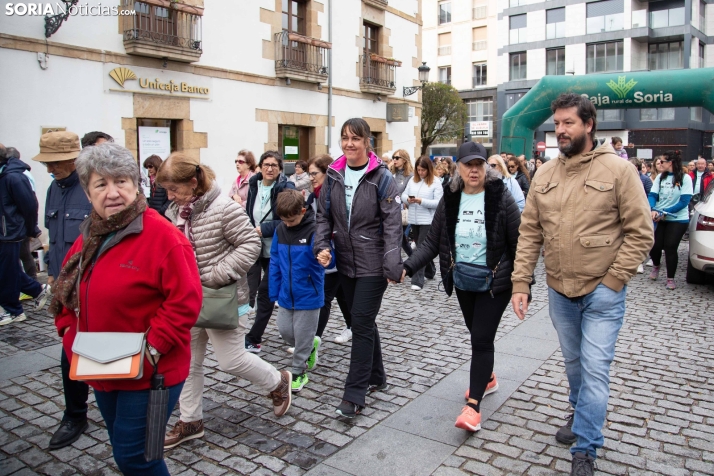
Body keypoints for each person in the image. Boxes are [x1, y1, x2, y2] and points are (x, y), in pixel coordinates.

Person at [511, 93, 653, 476]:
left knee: (594, 369)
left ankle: (586, 447)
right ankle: (578, 412)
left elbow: (641, 234)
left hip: (602, 293)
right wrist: (521, 282)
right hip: (559, 291)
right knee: (574, 365)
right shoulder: (545, 173)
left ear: (589, 125)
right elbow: (529, 233)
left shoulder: (618, 171)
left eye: (568, 123)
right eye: (556, 124)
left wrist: (614, 280)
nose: (560, 130)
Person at [50, 143, 202, 475]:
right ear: (88, 193)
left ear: (137, 186)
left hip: (150, 373)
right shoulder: (89, 235)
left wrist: (151, 349)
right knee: (126, 447)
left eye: (121, 181)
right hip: (100, 365)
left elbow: (186, 301)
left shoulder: (163, 237)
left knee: (136, 457)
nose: (113, 192)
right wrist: (69, 336)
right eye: (101, 184)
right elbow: (65, 293)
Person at [158, 153, 292, 449]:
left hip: (222, 298)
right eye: (166, 190)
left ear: (193, 183)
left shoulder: (223, 208)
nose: (169, 196)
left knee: (231, 360)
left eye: (174, 189)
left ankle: (278, 381)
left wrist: (214, 275)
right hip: (186, 301)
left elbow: (250, 244)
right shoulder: (176, 211)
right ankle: (190, 420)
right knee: (189, 363)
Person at [400, 141, 521, 432]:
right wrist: (407, 266)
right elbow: (431, 242)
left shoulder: (500, 197)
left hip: (496, 282)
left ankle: (473, 407)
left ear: (486, 168)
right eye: (468, 165)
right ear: (460, 168)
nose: (474, 170)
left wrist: (522, 284)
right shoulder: (451, 198)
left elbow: (521, 243)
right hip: (464, 280)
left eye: (479, 164)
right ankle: (487, 377)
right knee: (476, 331)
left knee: (480, 339)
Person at [314, 118, 403, 418]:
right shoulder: (334, 174)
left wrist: (392, 262)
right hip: (346, 262)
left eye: (356, 138)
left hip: (374, 263)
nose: (349, 143)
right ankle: (377, 376)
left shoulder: (381, 177)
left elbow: (392, 223)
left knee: (361, 323)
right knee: (361, 319)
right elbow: (323, 215)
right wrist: (322, 246)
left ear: (368, 142)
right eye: (345, 138)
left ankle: (354, 393)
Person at [29, 131, 94, 450]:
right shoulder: (55, 188)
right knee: (69, 354)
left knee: (102, 353)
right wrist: (54, 277)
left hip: (93, 289)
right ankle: (75, 414)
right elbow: (55, 239)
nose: (49, 169)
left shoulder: (93, 187)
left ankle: (115, 410)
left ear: (73, 158)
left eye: (54, 162)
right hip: (65, 289)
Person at [270, 189, 327, 392]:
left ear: (303, 211)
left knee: (302, 336)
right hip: (286, 293)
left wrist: (326, 257)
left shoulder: (315, 230)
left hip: (309, 294)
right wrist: (274, 290)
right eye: (284, 220)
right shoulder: (280, 229)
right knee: (285, 331)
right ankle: (310, 344)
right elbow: (275, 259)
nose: (288, 224)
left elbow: (327, 253)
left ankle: (298, 372)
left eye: (292, 220)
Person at [244, 152, 296, 352]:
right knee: (254, 289)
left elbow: (289, 216)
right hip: (256, 247)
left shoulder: (284, 187)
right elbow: (250, 214)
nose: (270, 169)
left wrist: (264, 229)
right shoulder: (253, 185)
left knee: (265, 293)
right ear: (259, 166)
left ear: (280, 169)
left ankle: (254, 338)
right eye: (266, 165)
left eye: (274, 165)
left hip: (277, 247)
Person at [0, 142, 48, 327]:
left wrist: (31, 229)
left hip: (10, 232)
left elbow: (29, 205)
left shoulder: (14, 177)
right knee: (8, 270)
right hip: (6, 231)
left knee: (7, 272)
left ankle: (14, 310)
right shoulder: (5, 176)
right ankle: (37, 290)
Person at [306, 155, 353, 344]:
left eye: (314, 173)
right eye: (309, 174)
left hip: (337, 252)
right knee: (341, 294)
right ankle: (353, 327)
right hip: (323, 251)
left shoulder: (337, 194)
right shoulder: (313, 195)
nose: (311, 177)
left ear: (327, 173)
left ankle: (312, 341)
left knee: (324, 296)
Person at [648, 150, 693, 290]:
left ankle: (670, 278)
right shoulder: (660, 177)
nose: (659, 164)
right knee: (654, 245)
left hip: (677, 219)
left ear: (670, 163)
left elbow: (684, 201)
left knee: (670, 247)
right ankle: (656, 265)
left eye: (662, 161)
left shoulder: (685, 178)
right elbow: (653, 195)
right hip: (660, 217)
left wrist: (667, 212)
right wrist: (652, 208)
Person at [401, 156, 443, 291]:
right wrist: (407, 199)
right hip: (414, 219)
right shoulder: (413, 181)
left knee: (419, 249)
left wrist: (421, 201)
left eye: (423, 170)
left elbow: (439, 203)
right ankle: (430, 270)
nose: (420, 173)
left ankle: (417, 280)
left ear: (428, 170)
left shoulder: (436, 182)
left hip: (428, 221)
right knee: (424, 248)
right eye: (418, 170)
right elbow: (403, 195)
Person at [6, 147, 39, 281]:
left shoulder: (17, 176)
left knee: (23, 254)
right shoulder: (21, 173)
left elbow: (29, 204)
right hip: (19, 222)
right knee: (22, 255)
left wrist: (31, 227)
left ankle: (32, 284)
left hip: (19, 222)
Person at [390, 149, 415, 257]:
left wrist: (405, 201)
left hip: (403, 210)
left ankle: (398, 263)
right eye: (393, 158)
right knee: (401, 239)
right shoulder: (391, 174)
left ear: (404, 160)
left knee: (398, 238)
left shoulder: (410, 176)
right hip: (391, 209)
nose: (394, 160)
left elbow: (412, 193)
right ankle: (416, 260)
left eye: (397, 158)